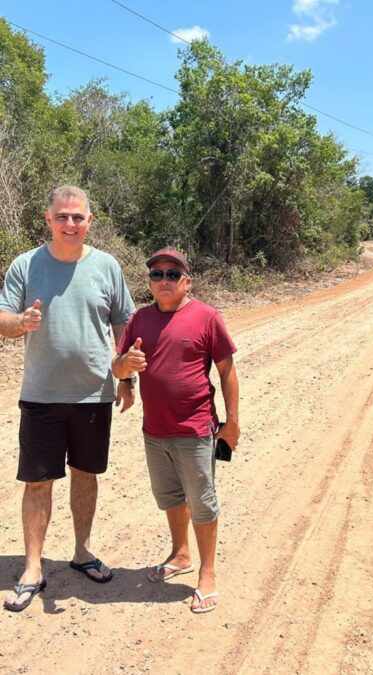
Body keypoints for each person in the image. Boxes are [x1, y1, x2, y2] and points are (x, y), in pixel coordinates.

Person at [0, 186, 135, 612]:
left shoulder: (107, 266)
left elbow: (124, 326)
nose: (70, 224)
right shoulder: (26, 265)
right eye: (62, 216)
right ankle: (33, 567)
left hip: (94, 395)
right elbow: (2, 318)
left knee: (85, 475)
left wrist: (128, 380)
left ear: (90, 221)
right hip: (41, 395)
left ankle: (82, 551)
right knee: (37, 481)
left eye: (78, 217)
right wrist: (21, 322)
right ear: (48, 219)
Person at [113, 246, 239, 614]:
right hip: (154, 431)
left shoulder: (207, 317)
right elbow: (119, 369)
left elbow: (227, 372)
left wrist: (231, 424)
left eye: (172, 274)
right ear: (149, 281)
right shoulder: (138, 320)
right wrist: (125, 365)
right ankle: (180, 553)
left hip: (196, 429)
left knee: (202, 502)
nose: (163, 280)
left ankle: (208, 572)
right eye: (157, 274)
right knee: (169, 498)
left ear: (187, 281)